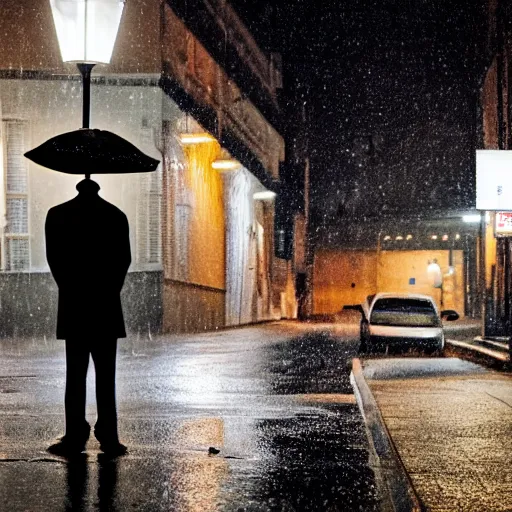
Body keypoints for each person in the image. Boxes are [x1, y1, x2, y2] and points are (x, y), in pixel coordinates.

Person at [45, 178, 131, 457]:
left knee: (76, 374)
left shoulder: (57, 215)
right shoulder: (116, 216)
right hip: (105, 305)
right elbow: (123, 260)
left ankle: (75, 433)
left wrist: (71, 289)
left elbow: (55, 259)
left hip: (75, 304)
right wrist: (109, 291)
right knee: (106, 376)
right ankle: (109, 434)